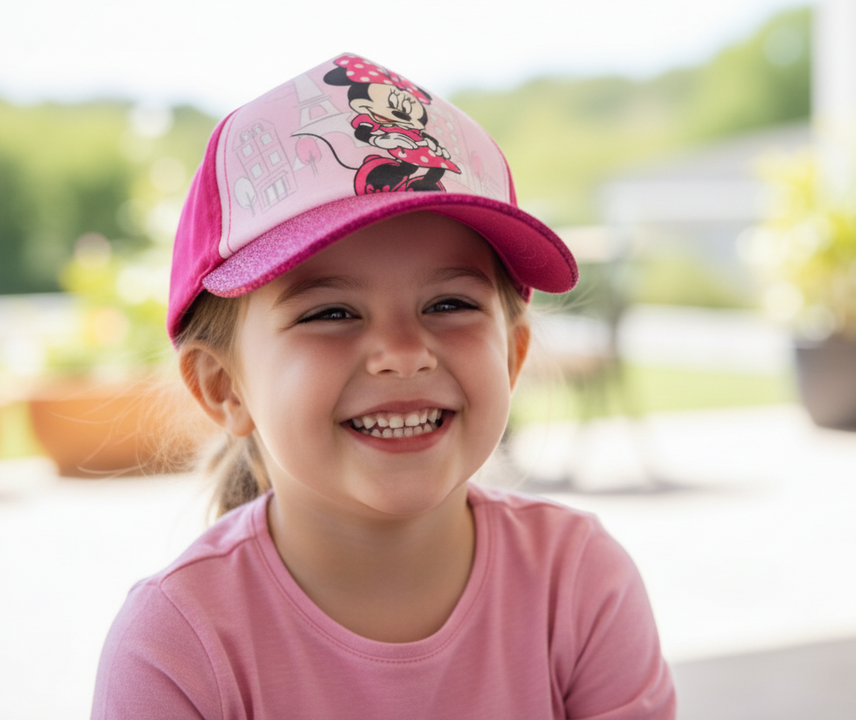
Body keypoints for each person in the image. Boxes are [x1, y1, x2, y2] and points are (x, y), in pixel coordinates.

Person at [91, 53, 676, 719]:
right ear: (226, 387)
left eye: (450, 304)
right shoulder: (176, 643)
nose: (403, 353)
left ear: (512, 357)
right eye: (331, 313)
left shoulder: (580, 582)